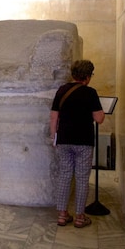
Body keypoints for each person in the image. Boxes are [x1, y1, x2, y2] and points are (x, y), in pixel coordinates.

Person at [49, 59, 105, 228]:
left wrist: (54, 137)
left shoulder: (62, 90)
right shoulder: (90, 93)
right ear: (87, 77)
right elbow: (99, 118)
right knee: (81, 179)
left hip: (64, 140)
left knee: (65, 176)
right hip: (84, 142)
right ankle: (80, 217)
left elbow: (53, 116)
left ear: (73, 74)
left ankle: (62, 215)